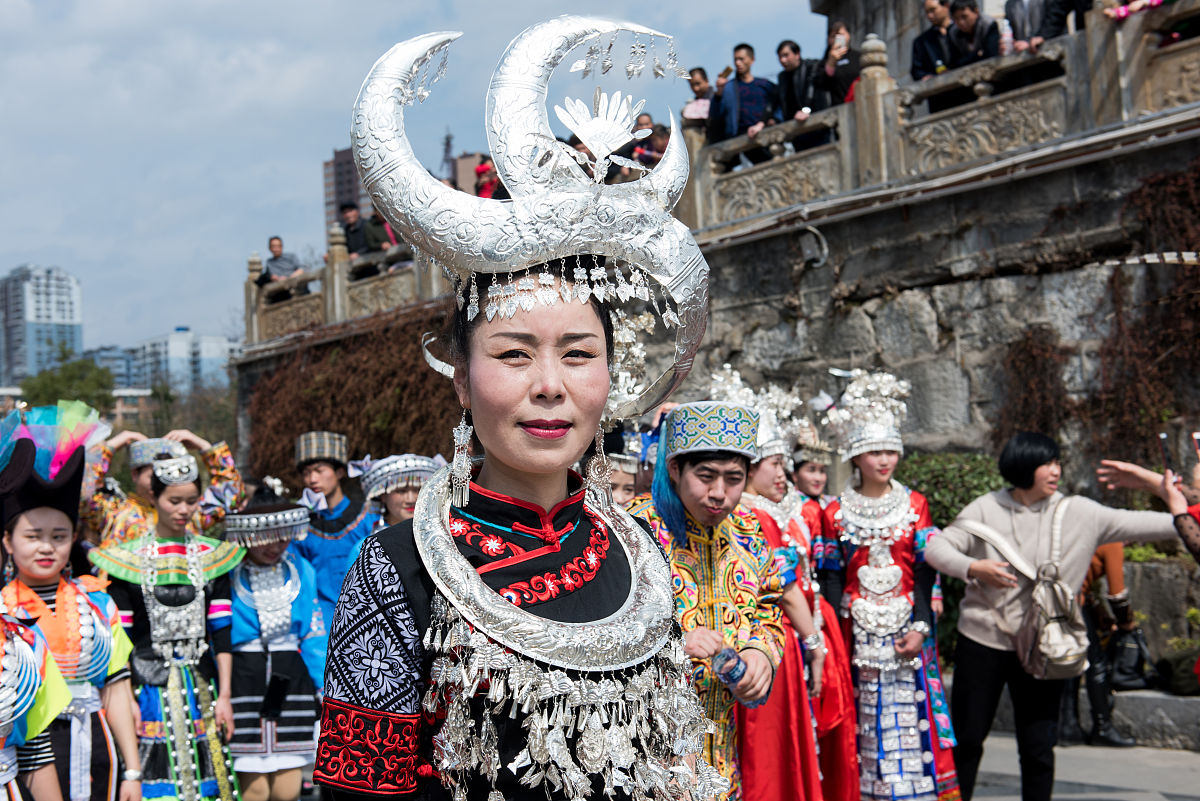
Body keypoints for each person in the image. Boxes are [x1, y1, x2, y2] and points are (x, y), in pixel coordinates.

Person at [314, 17, 723, 800]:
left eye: (577, 353)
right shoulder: (399, 568)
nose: (550, 384)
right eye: (512, 353)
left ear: (611, 373)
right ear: (462, 379)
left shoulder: (644, 556)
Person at [925, 433, 1180, 801]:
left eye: (1058, 463)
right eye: (1047, 463)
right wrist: (973, 566)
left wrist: (1160, 487)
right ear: (1022, 466)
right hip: (983, 641)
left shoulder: (1082, 512)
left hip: (1048, 645)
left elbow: (1174, 525)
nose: (1056, 470)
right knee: (967, 739)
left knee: (1039, 746)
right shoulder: (985, 508)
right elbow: (936, 546)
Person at [708, 368, 856, 801]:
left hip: (781, 638)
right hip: (778, 644)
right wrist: (814, 647)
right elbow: (785, 588)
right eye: (774, 464)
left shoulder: (776, 513)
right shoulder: (754, 518)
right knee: (773, 756)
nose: (784, 474)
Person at [627, 401, 787, 798]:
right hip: (646, 756)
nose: (720, 494)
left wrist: (761, 652)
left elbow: (769, 606)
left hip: (723, 754)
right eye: (706, 476)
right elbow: (602, 630)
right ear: (675, 469)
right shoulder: (633, 532)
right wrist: (674, 646)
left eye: (733, 478)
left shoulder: (749, 531)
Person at [814, 371, 959, 801]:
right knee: (861, 716)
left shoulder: (915, 504)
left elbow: (926, 568)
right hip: (853, 629)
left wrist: (920, 625)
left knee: (913, 711)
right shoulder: (835, 511)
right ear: (856, 457)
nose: (884, 460)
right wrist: (838, 631)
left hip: (906, 626)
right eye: (874, 451)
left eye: (891, 451)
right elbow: (831, 575)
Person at [88, 450, 244, 801]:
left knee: (210, 782)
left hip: (200, 684)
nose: (183, 510)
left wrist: (225, 695)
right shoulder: (126, 560)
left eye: (191, 501)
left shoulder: (212, 557)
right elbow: (122, 637)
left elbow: (221, 630)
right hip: (147, 687)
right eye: (174, 500)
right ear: (154, 498)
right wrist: (125, 696)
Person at [0, 411, 138, 801]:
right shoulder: (3, 611)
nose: (47, 546)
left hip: (98, 747)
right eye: (33, 535)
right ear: (9, 542)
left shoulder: (97, 603)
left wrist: (132, 769)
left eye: (58, 535)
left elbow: (116, 689)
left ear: (74, 537)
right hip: (30, 754)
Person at [224, 496, 326, 801]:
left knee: (288, 785)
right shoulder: (227, 573)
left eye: (283, 537)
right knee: (252, 785)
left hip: (290, 679)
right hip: (244, 679)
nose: (276, 545)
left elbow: (313, 633)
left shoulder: (301, 570)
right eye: (266, 538)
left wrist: (322, 686)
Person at [82, 430, 244, 547]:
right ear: (134, 475)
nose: (162, 482)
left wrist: (206, 448)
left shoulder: (190, 513)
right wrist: (113, 445)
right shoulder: (113, 512)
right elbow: (82, 491)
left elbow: (231, 495)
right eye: (154, 475)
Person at [286, 432, 379, 628]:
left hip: (367, 615)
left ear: (339, 472)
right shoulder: (301, 528)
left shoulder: (368, 517)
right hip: (320, 623)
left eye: (319, 470)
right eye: (306, 473)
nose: (312, 479)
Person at [709, 43, 782, 164]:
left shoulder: (764, 85)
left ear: (752, 60)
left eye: (741, 59)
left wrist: (775, 119)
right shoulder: (729, 88)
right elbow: (716, 115)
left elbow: (778, 104)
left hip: (766, 135)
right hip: (742, 141)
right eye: (735, 59)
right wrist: (719, 92)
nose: (738, 63)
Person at [355, 453, 441, 530]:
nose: (411, 500)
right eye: (401, 491)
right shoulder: (366, 546)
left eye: (418, 490)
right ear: (383, 495)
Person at [777, 40, 832, 151]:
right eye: (780, 57)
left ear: (797, 54)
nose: (783, 60)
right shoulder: (782, 77)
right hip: (797, 132)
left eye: (786, 55)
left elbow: (812, 94)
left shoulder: (811, 67)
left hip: (817, 128)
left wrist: (806, 110)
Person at [815, 20, 862, 106]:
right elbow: (821, 86)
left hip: (860, 103)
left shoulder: (858, 56)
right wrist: (831, 62)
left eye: (841, 35)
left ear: (849, 35)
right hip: (839, 107)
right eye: (833, 36)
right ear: (829, 40)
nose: (837, 39)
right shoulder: (824, 63)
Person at [950, 0, 1002, 65]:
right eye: (956, 18)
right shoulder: (954, 32)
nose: (961, 22)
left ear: (976, 12)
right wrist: (978, 54)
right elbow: (955, 62)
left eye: (964, 17)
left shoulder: (988, 24)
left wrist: (968, 58)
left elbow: (991, 54)